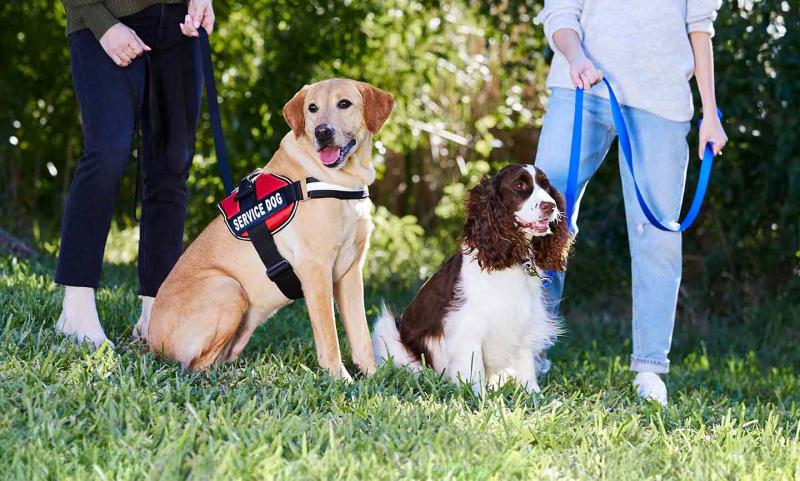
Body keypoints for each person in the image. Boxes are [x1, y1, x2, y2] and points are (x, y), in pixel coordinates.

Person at [534, 1, 728, 405]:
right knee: (541, 218)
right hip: (580, 89)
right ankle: (529, 351)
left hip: (662, 100)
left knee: (656, 234)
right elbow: (560, 14)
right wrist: (577, 57)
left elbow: (700, 25)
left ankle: (650, 367)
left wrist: (710, 111)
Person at [55, 0, 215, 347]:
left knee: (172, 165)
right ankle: (75, 308)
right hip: (102, 20)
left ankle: (154, 314)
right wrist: (102, 24)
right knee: (107, 151)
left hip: (178, 24)